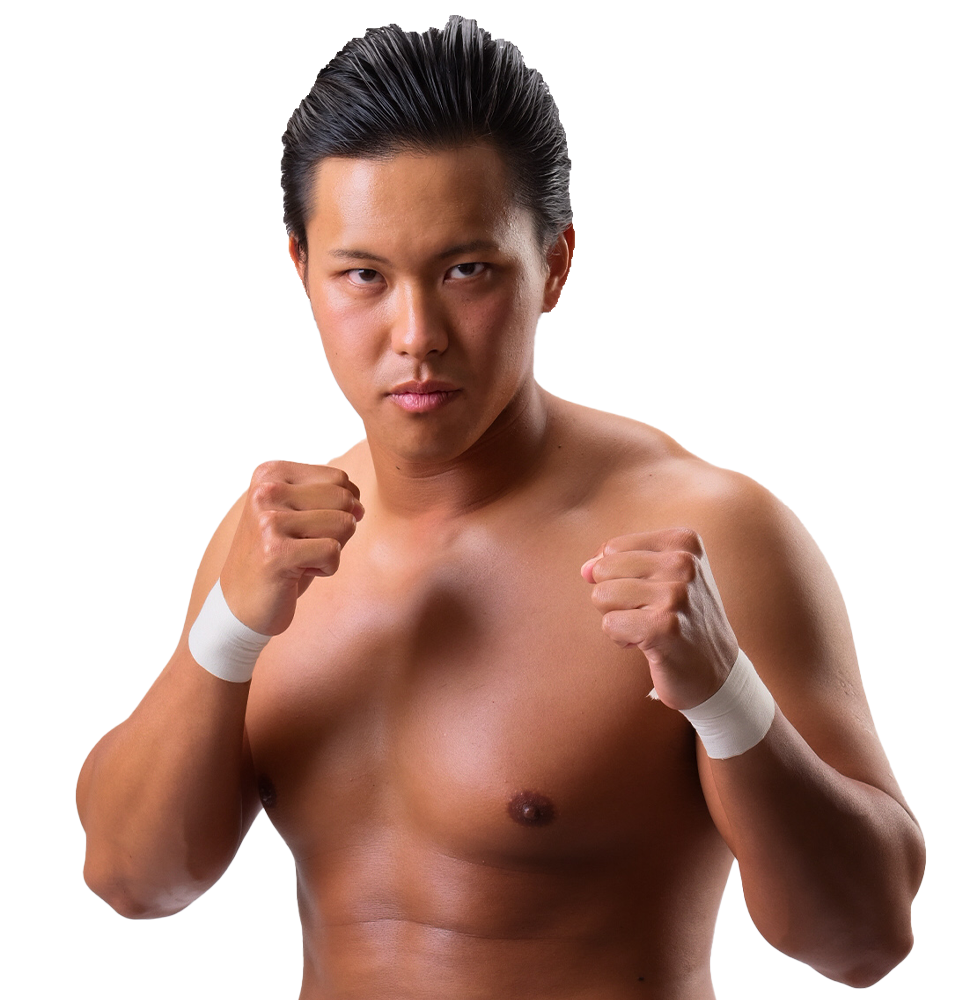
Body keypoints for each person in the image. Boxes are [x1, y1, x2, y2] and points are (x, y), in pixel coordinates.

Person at [75, 23, 925, 999]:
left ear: (553, 266)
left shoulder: (711, 534)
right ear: (300, 268)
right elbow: (135, 881)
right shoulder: (268, 543)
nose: (416, 334)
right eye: (364, 275)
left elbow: (864, 941)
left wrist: (725, 695)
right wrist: (227, 631)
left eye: (465, 271)